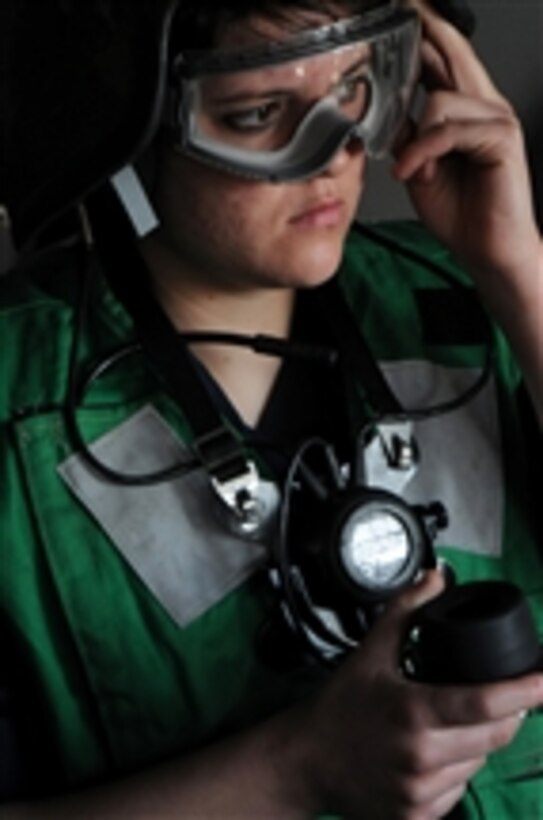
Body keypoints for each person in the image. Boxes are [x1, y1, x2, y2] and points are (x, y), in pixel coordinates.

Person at [1, 0, 542, 817]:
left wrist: (517, 270)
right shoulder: (14, 398)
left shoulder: (474, 302)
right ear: (134, 132)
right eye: (257, 116)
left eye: (355, 87)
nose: (331, 156)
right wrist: (300, 768)